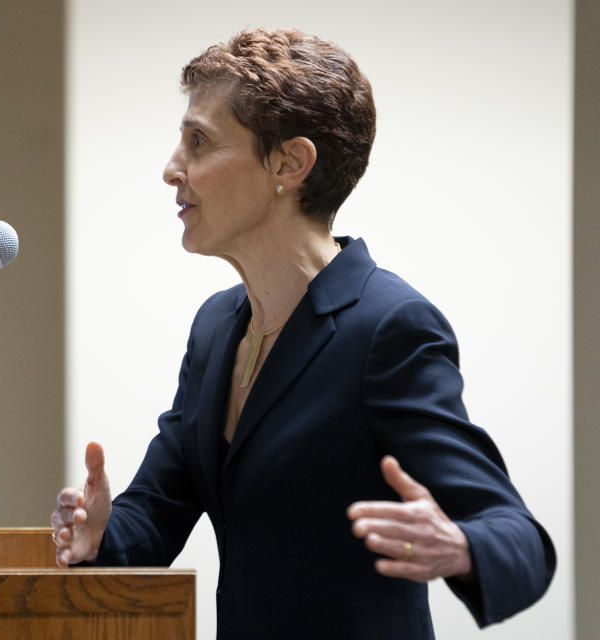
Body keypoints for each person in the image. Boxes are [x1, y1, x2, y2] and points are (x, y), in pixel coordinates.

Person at [51, 28, 554, 639]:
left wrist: (462, 547)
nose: (171, 169)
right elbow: (157, 509)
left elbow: (516, 533)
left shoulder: (388, 328)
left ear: (289, 163)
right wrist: (101, 533)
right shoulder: (215, 327)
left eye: (199, 142)